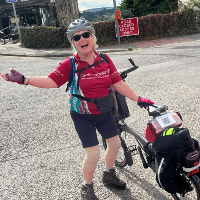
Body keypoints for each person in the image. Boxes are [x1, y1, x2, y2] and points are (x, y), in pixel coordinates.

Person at [0, 19, 154, 200]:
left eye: (86, 34)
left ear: (92, 37)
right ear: (73, 41)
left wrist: (139, 99)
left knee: (115, 143)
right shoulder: (70, 64)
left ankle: (108, 174)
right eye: (77, 37)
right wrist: (25, 79)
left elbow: (117, 82)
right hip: (83, 116)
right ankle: (87, 187)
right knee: (93, 153)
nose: (82, 39)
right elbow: (51, 81)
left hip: (104, 111)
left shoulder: (104, 59)